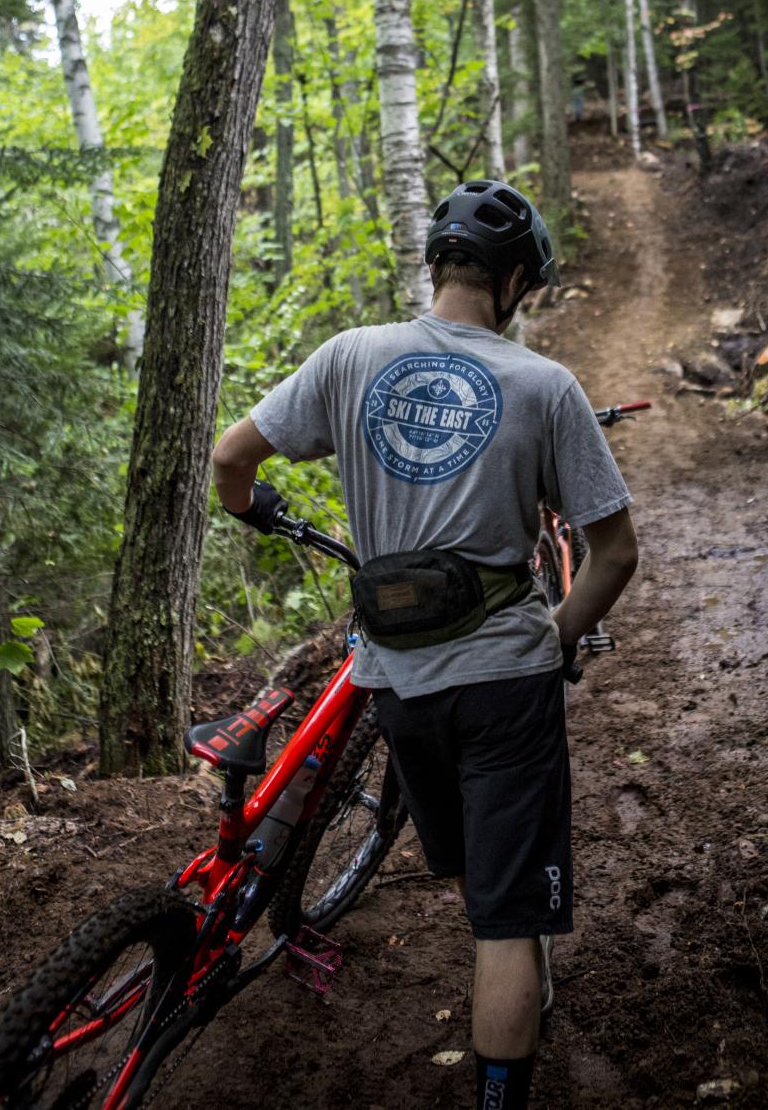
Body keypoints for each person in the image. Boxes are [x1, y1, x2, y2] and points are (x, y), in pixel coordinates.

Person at [212, 180, 638, 1110]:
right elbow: (615, 554)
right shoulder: (543, 385)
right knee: (508, 920)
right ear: (516, 279)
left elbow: (229, 461)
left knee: (473, 887)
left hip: (396, 683)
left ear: (437, 265)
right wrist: (557, 640)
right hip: (506, 685)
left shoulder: (349, 356)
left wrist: (256, 514)